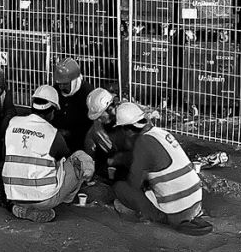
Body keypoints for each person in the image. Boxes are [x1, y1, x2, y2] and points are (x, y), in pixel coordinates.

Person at [110, 102, 211, 235]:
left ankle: (156, 216)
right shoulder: (161, 133)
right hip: (196, 203)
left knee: (120, 188)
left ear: (127, 130)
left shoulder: (142, 143)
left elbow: (134, 183)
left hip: (176, 213)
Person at [2, 85, 96, 223]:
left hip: (13, 194)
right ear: (51, 111)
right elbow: (66, 158)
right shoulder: (52, 133)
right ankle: (64, 201)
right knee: (78, 159)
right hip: (43, 200)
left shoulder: (13, 123)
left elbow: (6, 154)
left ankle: (23, 208)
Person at [83, 87, 130, 178]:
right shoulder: (94, 132)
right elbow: (89, 159)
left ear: (110, 108)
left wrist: (119, 159)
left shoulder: (129, 118)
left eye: (100, 115)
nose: (98, 119)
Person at [51, 57, 94, 152]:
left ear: (74, 81)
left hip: (80, 142)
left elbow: (90, 124)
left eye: (65, 84)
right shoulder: (55, 90)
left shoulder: (87, 93)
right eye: (59, 84)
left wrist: (71, 133)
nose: (61, 87)